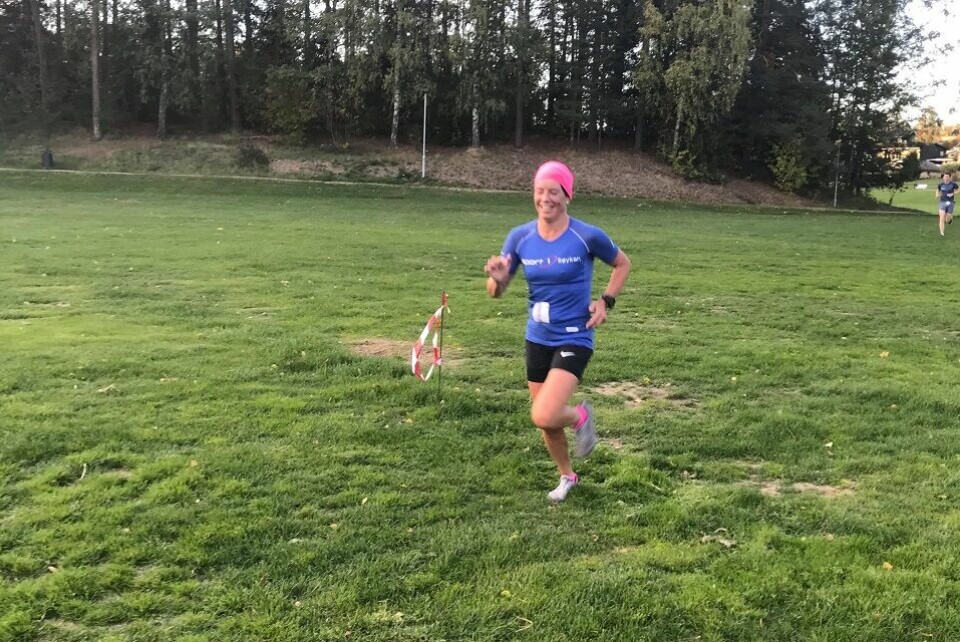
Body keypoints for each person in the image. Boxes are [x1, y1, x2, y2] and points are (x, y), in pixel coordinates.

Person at [484, 161, 631, 503]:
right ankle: (567, 475)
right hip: (537, 337)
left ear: (568, 196)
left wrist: (605, 301)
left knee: (546, 412)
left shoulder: (586, 235)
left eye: (554, 191)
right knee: (546, 422)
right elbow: (495, 291)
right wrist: (498, 277)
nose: (546, 198)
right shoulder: (520, 237)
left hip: (574, 335)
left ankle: (580, 415)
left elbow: (622, 263)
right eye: (539, 191)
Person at [936, 171, 958, 237]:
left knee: (947, 219)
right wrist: (937, 194)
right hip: (942, 202)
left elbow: (959, 190)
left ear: (950, 177)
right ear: (943, 177)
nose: (946, 178)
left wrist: (953, 194)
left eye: (947, 177)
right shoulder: (941, 184)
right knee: (942, 217)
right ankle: (942, 233)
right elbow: (937, 189)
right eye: (945, 176)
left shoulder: (953, 184)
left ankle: (950, 219)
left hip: (950, 203)